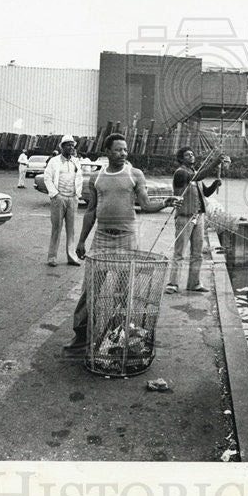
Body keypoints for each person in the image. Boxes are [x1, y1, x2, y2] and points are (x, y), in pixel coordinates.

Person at [63, 133, 180, 352]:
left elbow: (145, 204)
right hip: (102, 238)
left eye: (125, 150)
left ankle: (115, 336)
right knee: (90, 289)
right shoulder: (96, 178)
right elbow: (90, 211)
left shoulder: (135, 174)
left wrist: (165, 202)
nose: (123, 153)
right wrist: (81, 241)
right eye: (118, 149)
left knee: (123, 292)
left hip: (127, 238)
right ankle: (81, 336)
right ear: (107, 152)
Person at [165, 146, 223, 294]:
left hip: (199, 217)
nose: (191, 156)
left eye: (192, 154)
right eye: (187, 155)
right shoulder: (181, 173)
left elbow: (206, 193)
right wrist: (215, 162)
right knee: (180, 253)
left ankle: (194, 283)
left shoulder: (195, 173)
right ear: (181, 159)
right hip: (184, 218)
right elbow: (198, 177)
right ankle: (172, 284)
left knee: (197, 253)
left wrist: (215, 184)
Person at [43, 135, 83, 267]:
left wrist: (77, 195)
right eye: (68, 145)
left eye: (72, 145)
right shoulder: (54, 161)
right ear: (62, 147)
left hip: (72, 198)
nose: (71, 147)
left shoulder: (76, 162)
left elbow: (80, 178)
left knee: (71, 230)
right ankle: (52, 257)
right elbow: (47, 178)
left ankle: (71, 257)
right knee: (56, 228)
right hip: (58, 199)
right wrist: (55, 195)